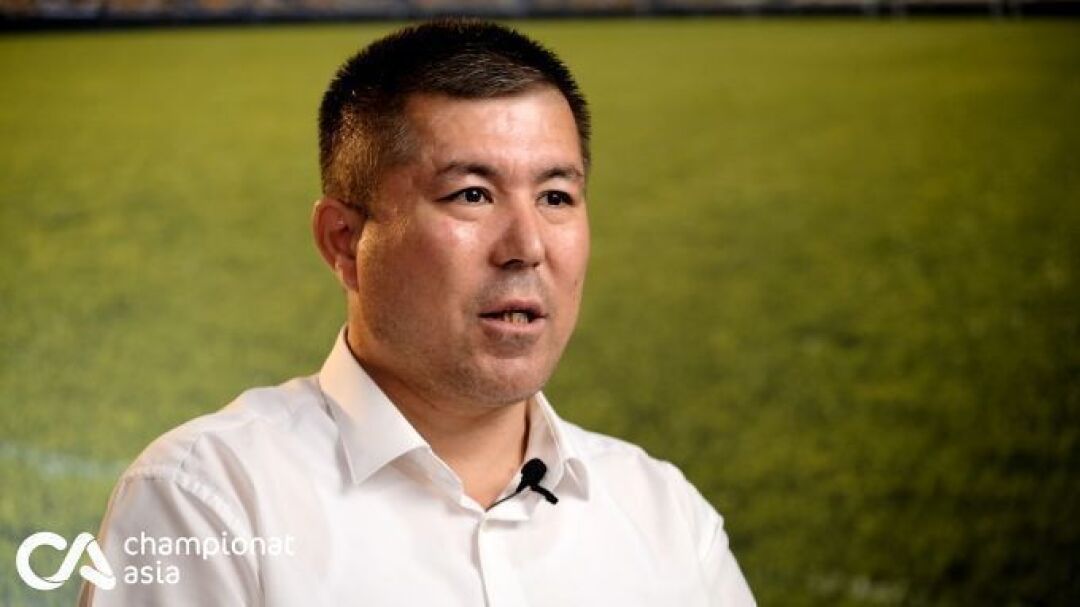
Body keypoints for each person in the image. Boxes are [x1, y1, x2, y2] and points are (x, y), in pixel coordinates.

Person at [81, 19, 755, 606]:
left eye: (555, 197)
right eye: (471, 194)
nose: (526, 247)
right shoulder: (208, 502)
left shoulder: (666, 516)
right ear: (344, 241)